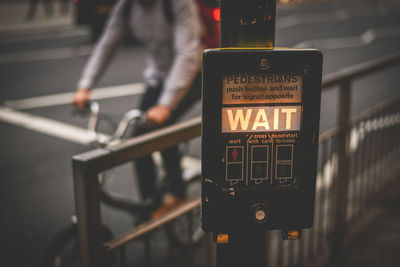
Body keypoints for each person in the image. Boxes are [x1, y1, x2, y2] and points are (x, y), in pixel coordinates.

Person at [73, 0, 203, 218]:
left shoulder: (178, 4)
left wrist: (165, 105)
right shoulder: (127, 7)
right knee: (138, 140)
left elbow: (187, 54)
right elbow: (107, 44)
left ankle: (178, 194)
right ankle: (150, 203)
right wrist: (84, 87)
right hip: (159, 77)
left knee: (159, 128)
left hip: (192, 75)